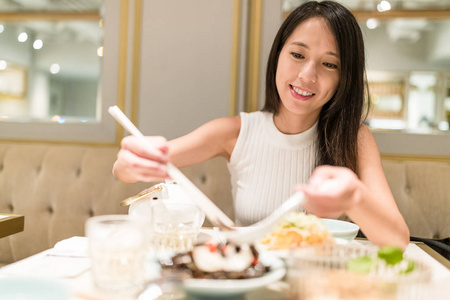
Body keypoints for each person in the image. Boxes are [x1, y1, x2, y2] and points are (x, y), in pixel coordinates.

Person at [113, 1, 410, 249]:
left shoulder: (355, 139)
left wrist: (355, 197)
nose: (307, 75)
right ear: (278, 55)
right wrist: (130, 162)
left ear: (345, 77)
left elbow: (397, 240)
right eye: (297, 54)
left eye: (329, 64)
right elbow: (126, 169)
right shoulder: (236, 132)